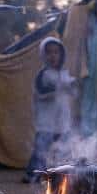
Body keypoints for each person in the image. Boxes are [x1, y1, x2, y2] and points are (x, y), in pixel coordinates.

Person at [24, 37, 77, 183]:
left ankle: (60, 174)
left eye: (56, 52)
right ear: (43, 55)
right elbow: (41, 94)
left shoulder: (65, 73)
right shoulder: (44, 74)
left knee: (63, 149)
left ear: (61, 55)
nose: (53, 56)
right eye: (49, 53)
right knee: (41, 149)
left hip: (62, 120)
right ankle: (32, 174)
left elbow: (73, 93)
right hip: (46, 120)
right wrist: (59, 88)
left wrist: (72, 87)